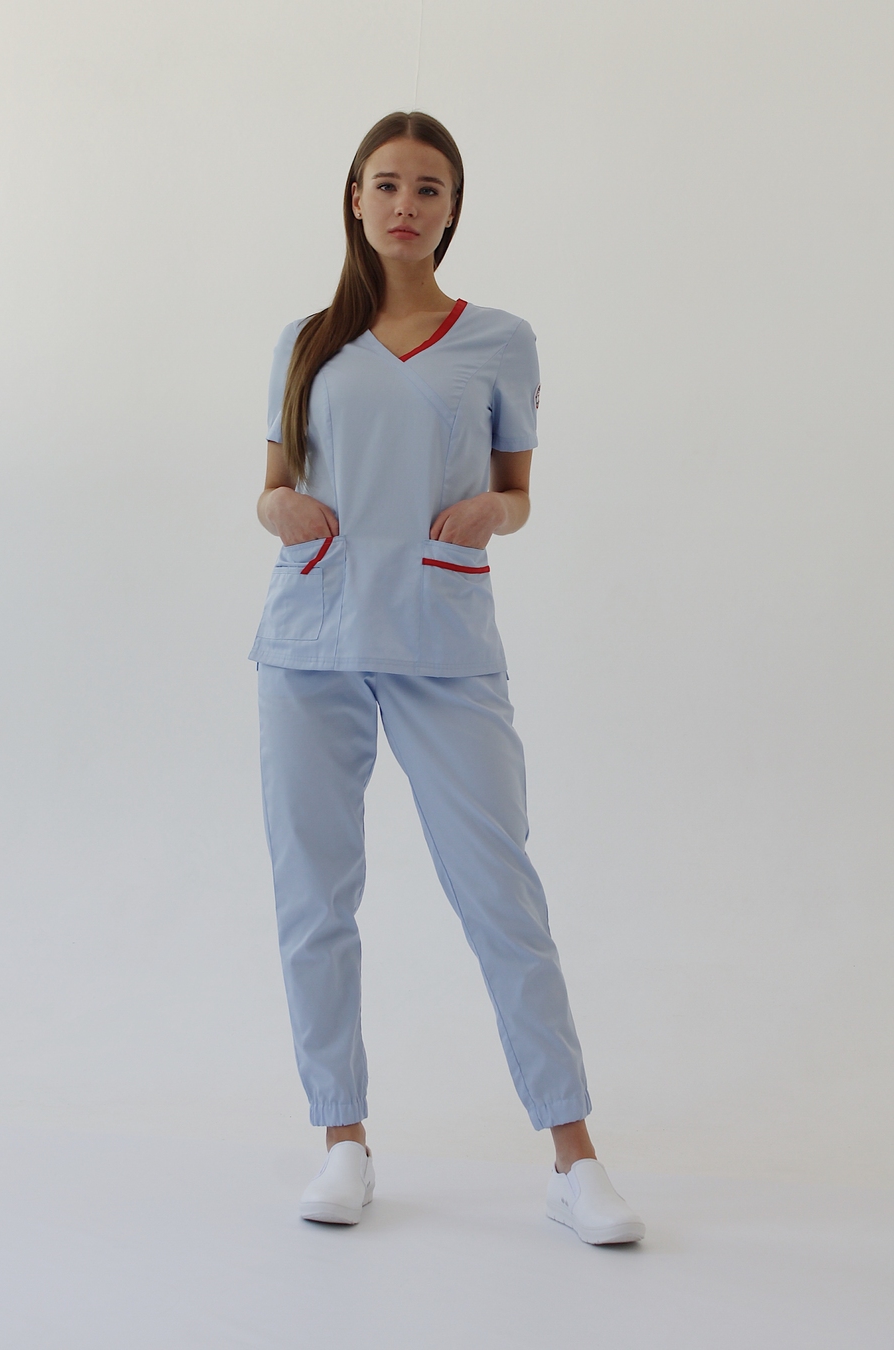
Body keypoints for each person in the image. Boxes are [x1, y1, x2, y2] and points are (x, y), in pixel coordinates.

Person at [250, 110, 644, 1246]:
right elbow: (271, 485)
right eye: (387, 184)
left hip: (441, 637)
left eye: (429, 188)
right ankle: (343, 1142)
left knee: (501, 895)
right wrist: (280, 510)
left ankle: (573, 1159)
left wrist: (492, 515)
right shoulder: (305, 341)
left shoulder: (500, 340)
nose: (406, 205)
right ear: (355, 198)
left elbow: (517, 492)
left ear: (453, 208)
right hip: (311, 639)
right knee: (315, 899)